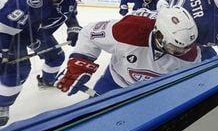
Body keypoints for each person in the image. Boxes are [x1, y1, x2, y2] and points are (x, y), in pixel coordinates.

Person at [56, 6, 201, 96]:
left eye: (186, 47)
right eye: (174, 47)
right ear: (158, 34)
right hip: (115, 82)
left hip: (156, 93)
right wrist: (80, 62)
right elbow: (89, 32)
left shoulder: (191, 54)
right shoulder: (128, 30)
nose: (181, 52)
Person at [0, 0, 81, 126]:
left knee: (56, 57)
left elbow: (71, 16)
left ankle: (46, 80)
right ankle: (2, 105)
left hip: (39, 34)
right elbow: (3, 28)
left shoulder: (69, 0)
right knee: (18, 70)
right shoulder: (26, 0)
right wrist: (2, 52)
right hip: (13, 35)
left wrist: (74, 29)